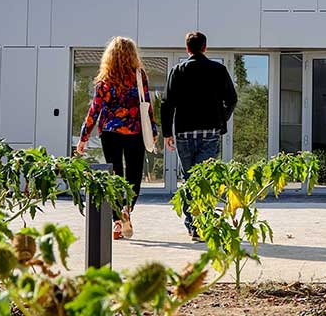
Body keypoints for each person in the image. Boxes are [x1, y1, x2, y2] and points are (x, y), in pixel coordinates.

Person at [76, 36, 158, 240]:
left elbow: (94, 110)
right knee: (134, 175)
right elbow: (146, 104)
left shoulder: (104, 80)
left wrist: (84, 137)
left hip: (110, 133)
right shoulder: (139, 75)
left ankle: (117, 222)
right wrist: (154, 131)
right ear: (132, 54)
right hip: (134, 132)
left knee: (114, 175)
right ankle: (127, 208)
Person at [161, 31, 237, 240]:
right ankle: (202, 223)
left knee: (190, 179)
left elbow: (167, 103)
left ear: (187, 49)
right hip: (210, 132)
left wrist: (167, 133)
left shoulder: (177, 71)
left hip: (184, 133)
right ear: (204, 47)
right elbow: (232, 98)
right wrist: (222, 118)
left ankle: (193, 225)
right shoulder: (218, 70)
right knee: (205, 179)